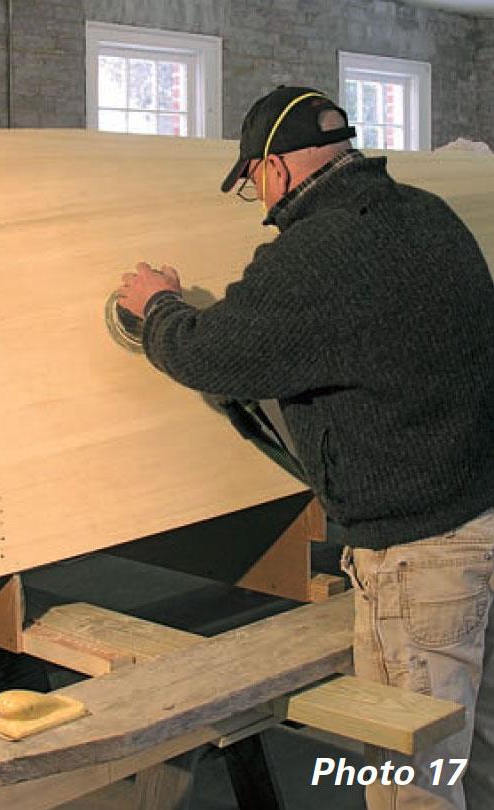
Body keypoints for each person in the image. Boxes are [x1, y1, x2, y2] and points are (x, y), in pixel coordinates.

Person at [115, 85, 494, 810]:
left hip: (417, 553)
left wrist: (156, 307)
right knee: (470, 754)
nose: (257, 204)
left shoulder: (318, 253)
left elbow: (212, 355)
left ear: (275, 170)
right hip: (481, 509)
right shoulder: (426, 214)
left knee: (406, 776)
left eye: (251, 184)